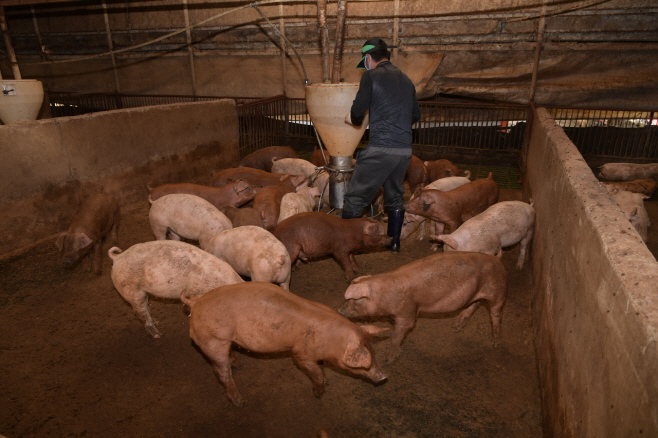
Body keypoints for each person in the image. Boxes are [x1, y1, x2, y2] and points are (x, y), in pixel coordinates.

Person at [342, 37, 421, 252]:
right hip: (404, 151)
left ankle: (347, 243)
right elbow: (415, 114)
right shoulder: (406, 80)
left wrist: (355, 119)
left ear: (368, 58)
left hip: (380, 149)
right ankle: (394, 243)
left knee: (355, 197)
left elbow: (358, 112)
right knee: (395, 196)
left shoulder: (370, 76)